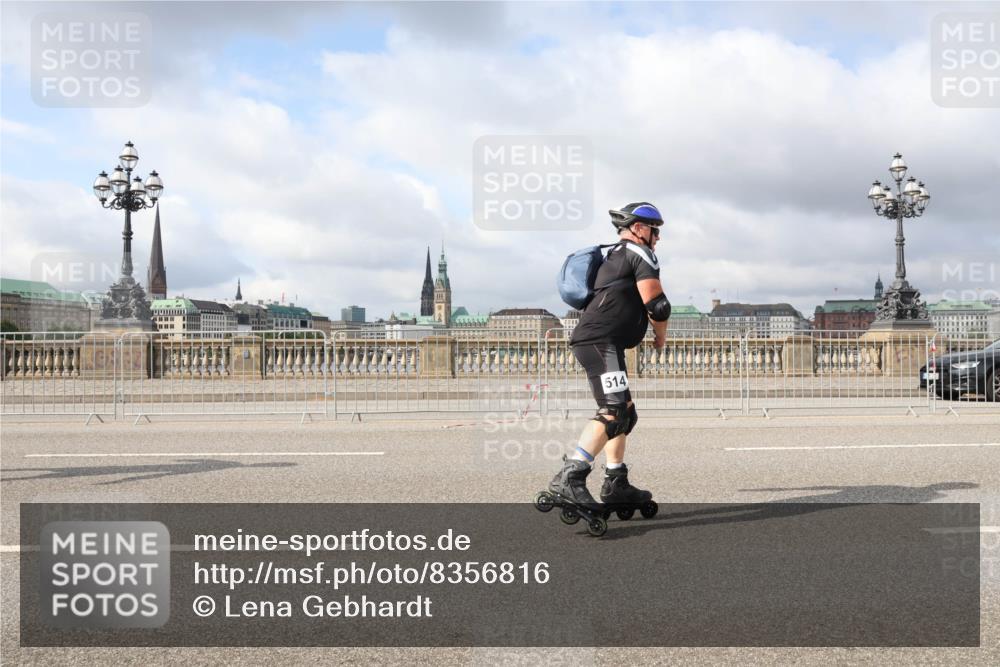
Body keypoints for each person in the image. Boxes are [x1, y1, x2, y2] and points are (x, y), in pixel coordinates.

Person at [549, 202, 671, 512]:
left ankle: (616, 481)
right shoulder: (639, 253)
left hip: (604, 342)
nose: (657, 237)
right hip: (599, 342)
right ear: (638, 229)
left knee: (625, 413)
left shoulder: (614, 255)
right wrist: (660, 335)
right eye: (655, 230)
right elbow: (657, 304)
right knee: (614, 410)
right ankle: (570, 477)